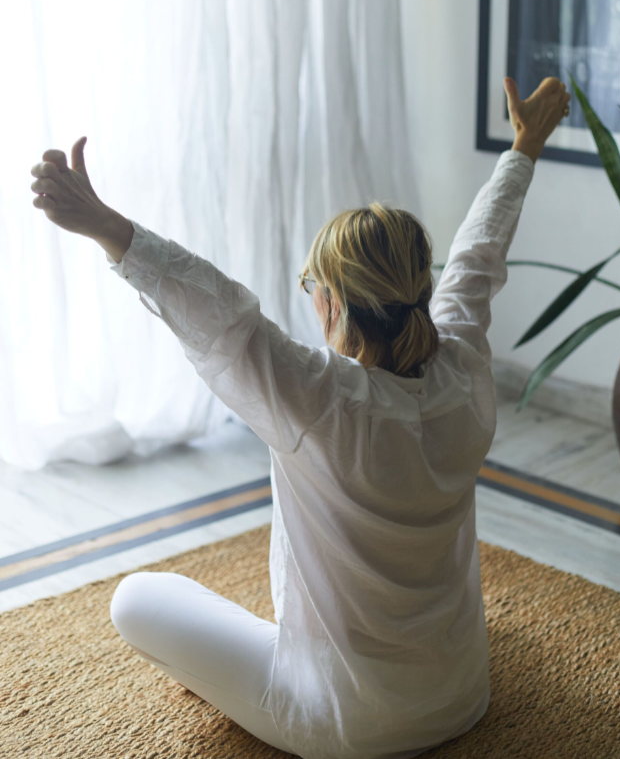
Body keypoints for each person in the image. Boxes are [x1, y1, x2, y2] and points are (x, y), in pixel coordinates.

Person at [30, 76, 571, 759]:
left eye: (311, 286)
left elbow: (218, 317)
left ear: (332, 306)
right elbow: (479, 257)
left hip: (343, 726)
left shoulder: (319, 400)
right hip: (463, 696)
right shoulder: (464, 369)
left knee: (134, 599)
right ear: (419, 292)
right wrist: (525, 143)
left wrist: (106, 227)